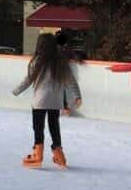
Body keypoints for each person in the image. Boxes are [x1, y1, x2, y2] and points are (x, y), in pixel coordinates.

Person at [12, 32, 80, 168]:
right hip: (56, 101)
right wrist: (77, 95)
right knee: (54, 126)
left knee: (38, 127)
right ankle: (59, 155)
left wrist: (17, 90)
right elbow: (70, 80)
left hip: (40, 101)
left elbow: (28, 79)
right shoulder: (61, 61)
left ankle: (38, 154)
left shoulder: (37, 61)